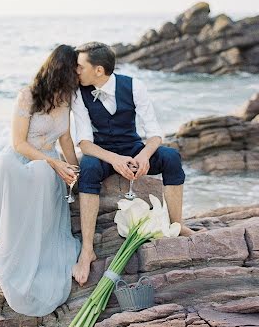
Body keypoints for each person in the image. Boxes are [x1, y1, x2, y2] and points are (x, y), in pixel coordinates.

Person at [70, 41, 194, 285]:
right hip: (103, 152)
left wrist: (143, 156)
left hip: (134, 148)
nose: (76, 72)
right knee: (88, 168)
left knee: (171, 157)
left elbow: (155, 134)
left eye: (79, 67)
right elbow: (84, 143)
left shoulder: (134, 86)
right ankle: (87, 249)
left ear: (98, 70)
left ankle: (178, 224)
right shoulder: (78, 93)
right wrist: (115, 160)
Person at [0, 45, 82, 316]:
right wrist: (55, 162)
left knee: (45, 175)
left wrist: (75, 170)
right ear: (62, 71)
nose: (79, 74)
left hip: (48, 165)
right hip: (21, 160)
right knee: (25, 169)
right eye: (75, 69)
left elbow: (66, 139)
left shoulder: (67, 98)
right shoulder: (28, 96)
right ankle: (15, 251)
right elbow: (18, 143)